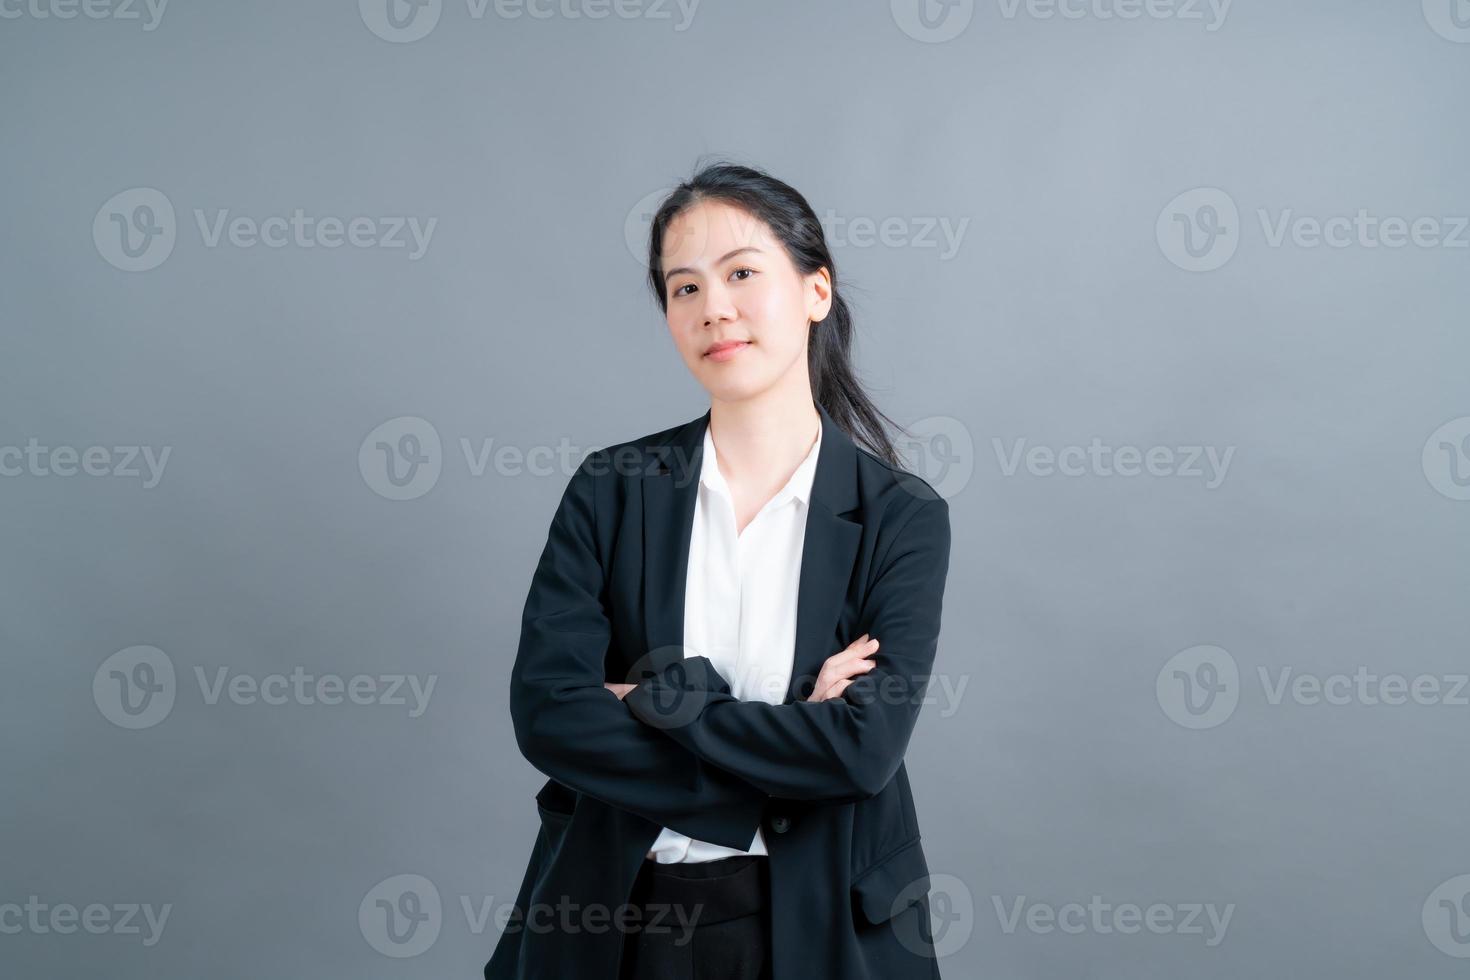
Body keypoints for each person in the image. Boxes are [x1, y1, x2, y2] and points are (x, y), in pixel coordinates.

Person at [486, 161, 952, 980]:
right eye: (684, 288)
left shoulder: (900, 517)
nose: (715, 309)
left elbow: (861, 752)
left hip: (818, 926)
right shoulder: (610, 488)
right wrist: (779, 755)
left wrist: (662, 702)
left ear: (816, 290)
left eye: (742, 273)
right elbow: (549, 715)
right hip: (613, 926)